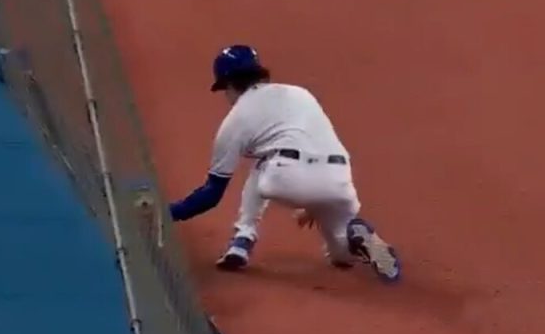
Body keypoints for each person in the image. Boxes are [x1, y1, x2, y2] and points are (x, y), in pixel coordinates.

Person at [168, 44, 401, 282]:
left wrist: (169, 212)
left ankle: (242, 239)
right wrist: (313, 202)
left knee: (263, 160)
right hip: (338, 178)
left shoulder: (235, 120)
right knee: (341, 255)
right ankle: (357, 237)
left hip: (287, 178)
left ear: (228, 85)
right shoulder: (300, 93)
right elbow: (312, 144)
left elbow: (211, 194)